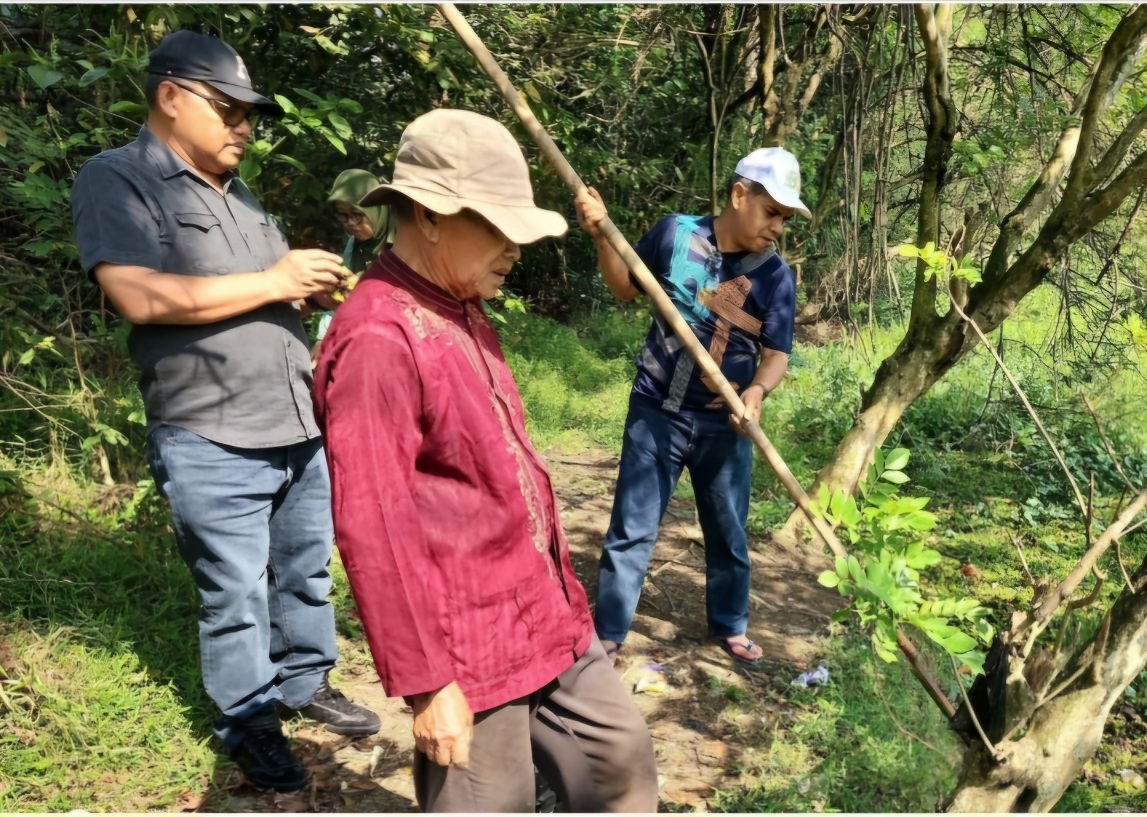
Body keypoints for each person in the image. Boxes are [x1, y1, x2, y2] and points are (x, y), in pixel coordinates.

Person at [313, 108, 658, 814]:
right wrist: (428, 682)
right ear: (429, 216)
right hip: (465, 647)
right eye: (496, 226)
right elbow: (372, 524)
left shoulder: (460, 303)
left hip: (545, 612)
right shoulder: (379, 336)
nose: (514, 248)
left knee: (619, 762)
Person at [69, 30, 379, 793]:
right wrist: (275, 280)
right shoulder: (119, 179)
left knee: (306, 568)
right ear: (170, 97)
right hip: (209, 428)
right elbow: (138, 295)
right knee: (235, 591)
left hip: (292, 420)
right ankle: (249, 721)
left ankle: (304, 683)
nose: (245, 126)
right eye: (230, 108)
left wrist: (303, 287)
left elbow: (252, 290)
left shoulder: (238, 194)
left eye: (252, 115)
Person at [574, 147, 810, 666]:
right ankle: (610, 632)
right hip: (656, 409)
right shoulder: (675, 234)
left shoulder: (776, 278)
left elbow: (776, 355)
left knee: (727, 530)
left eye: (786, 219)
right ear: (739, 195)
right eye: (772, 213)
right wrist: (601, 235)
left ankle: (729, 624)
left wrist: (756, 392)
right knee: (633, 526)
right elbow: (623, 287)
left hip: (724, 424)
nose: (778, 227)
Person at [313, 169, 395, 346]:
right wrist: (323, 338)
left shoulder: (403, 242)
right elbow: (341, 293)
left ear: (375, 209)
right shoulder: (355, 245)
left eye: (356, 214)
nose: (350, 223)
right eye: (343, 215)